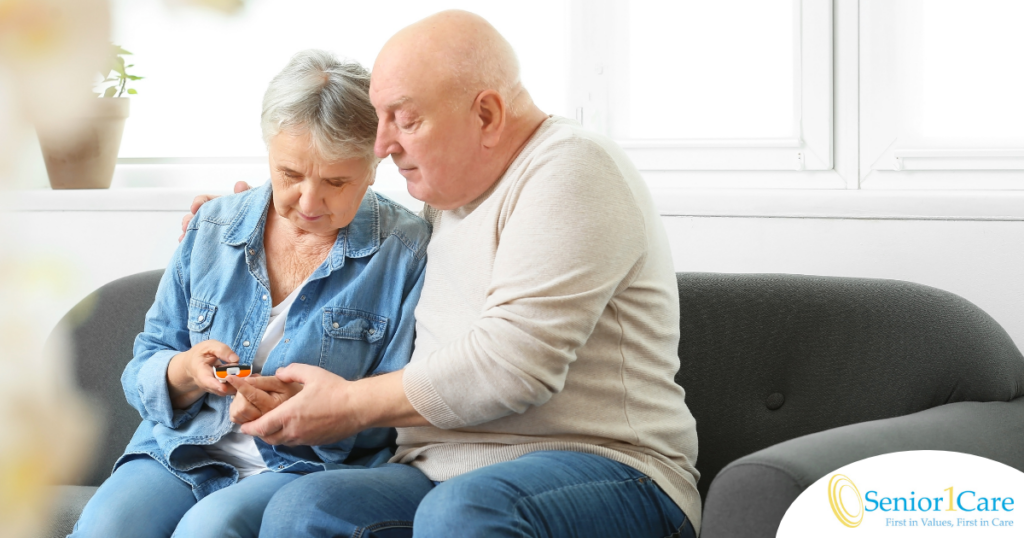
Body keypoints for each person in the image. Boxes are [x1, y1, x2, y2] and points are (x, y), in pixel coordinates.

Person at [187, 10, 701, 538]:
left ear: (486, 115)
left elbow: (512, 367)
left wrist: (348, 406)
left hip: (609, 468)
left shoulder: (572, 169)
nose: (383, 145)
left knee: (462, 511)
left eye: (404, 120)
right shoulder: (444, 201)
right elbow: (352, 234)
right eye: (379, 120)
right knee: (305, 508)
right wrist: (254, 221)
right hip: (441, 467)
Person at [70, 49, 430, 538]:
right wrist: (185, 372)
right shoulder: (213, 227)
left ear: (373, 166)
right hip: (183, 450)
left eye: (336, 181)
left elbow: (395, 413)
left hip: (303, 468)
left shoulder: (404, 252)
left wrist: (302, 410)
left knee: (208, 529)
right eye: (290, 174)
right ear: (268, 151)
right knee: (107, 527)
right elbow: (145, 363)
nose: (308, 202)